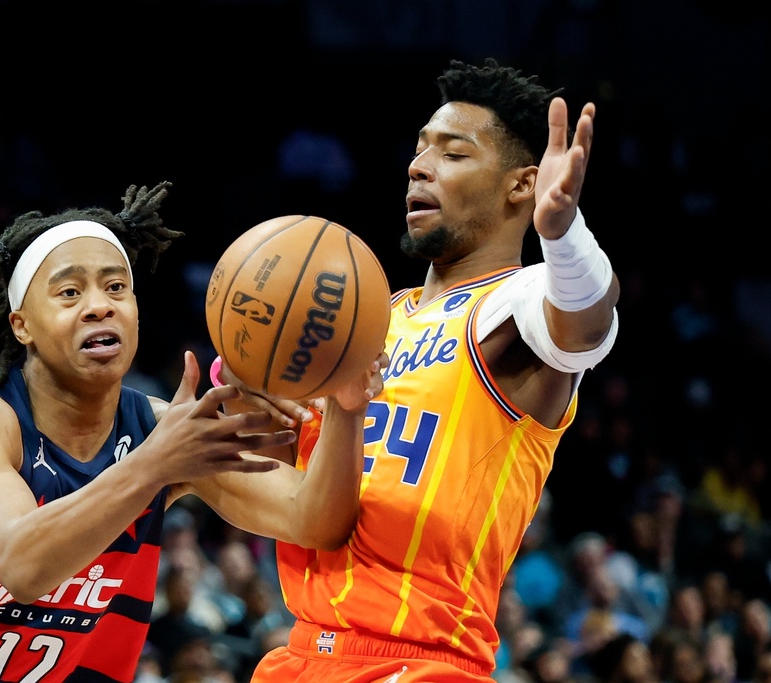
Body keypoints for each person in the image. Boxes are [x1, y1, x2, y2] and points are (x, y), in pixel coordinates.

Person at [0, 181, 386, 682]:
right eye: (69, 292)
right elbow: (21, 565)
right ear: (22, 325)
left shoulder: (157, 428)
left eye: (116, 287)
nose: (99, 306)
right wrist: (156, 466)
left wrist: (343, 406)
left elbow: (316, 522)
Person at [214, 58, 621, 682]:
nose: (418, 165)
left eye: (453, 153)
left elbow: (585, 320)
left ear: (522, 186)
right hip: (299, 655)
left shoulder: (512, 310)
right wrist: (246, 386)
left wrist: (565, 235)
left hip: (420, 662)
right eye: (419, 148)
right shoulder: (365, 317)